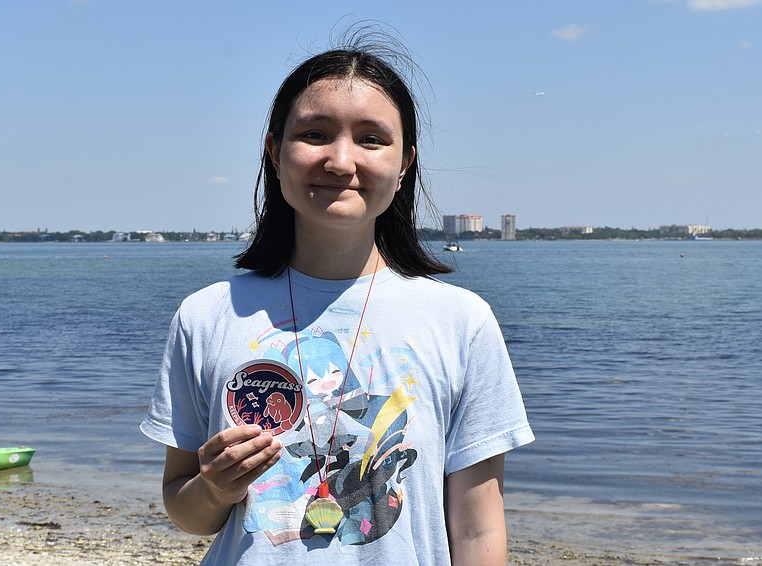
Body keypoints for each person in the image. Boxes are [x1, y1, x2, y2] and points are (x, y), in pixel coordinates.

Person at [141, 31, 534, 566]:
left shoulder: (462, 321)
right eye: (315, 134)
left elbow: (478, 527)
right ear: (275, 151)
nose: (341, 161)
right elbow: (185, 510)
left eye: (371, 139)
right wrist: (214, 489)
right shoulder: (207, 316)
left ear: (405, 163)